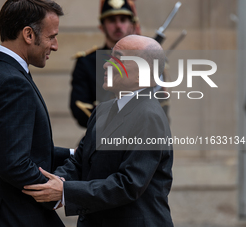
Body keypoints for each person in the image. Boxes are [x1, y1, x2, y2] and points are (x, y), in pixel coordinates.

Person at [23, 35, 174, 227]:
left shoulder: (149, 115)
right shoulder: (104, 109)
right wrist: (55, 182)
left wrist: (65, 191)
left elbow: (129, 184)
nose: (106, 65)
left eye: (117, 58)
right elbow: (79, 162)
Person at [0, 0, 71, 227]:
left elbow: (15, 146)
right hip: (17, 217)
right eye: (51, 36)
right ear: (28, 34)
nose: (55, 46)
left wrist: (76, 154)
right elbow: (14, 163)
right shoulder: (13, 83)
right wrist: (56, 195)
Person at [70, 0, 141, 128]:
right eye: (111, 20)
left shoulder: (145, 60)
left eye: (123, 19)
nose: (118, 25)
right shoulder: (86, 62)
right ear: (102, 26)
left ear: (132, 25)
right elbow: (80, 107)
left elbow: (161, 104)